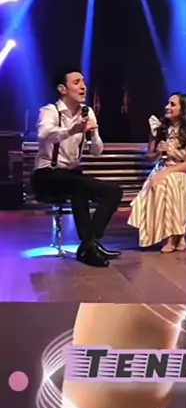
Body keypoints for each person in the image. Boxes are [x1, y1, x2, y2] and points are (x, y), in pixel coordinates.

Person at [31, 69, 123, 267]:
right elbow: (44, 134)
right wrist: (73, 129)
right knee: (78, 186)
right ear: (62, 89)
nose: (83, 87)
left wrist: (94, 134)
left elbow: (97, 151)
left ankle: (89, 244)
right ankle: (90, 247)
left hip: (71, 176)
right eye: (76, 82)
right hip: (47, 175)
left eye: (84, 82)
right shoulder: (50, 111)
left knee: (113, 191)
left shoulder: (86, 112)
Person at [128, 93, 186, 252]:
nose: (167, 107)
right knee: (163, 184)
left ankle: (174, 237)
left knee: (172, 182)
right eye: (167, 103)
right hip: (162, 169)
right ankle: (176, 236)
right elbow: (150, 158)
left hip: (184, 172)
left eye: (172, 104)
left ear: (183, 109)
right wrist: (158, 152)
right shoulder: (158, 129)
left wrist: (166, 172)